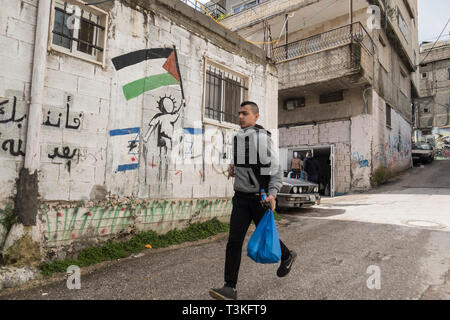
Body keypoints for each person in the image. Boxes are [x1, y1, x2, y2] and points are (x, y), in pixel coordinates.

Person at [209, 101, 297, 300]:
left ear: (256, 117)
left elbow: (275, 170)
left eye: (245, 113)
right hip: (240, 199)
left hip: (259, 199)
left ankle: (287, 255)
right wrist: (235, 169)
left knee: (267, 236)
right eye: (239, 113)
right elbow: (248, 164)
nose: (240, 116)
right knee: (234, 241)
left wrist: (272, 193)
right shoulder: (239, 137)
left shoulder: (262, 138)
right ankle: (229, 287)